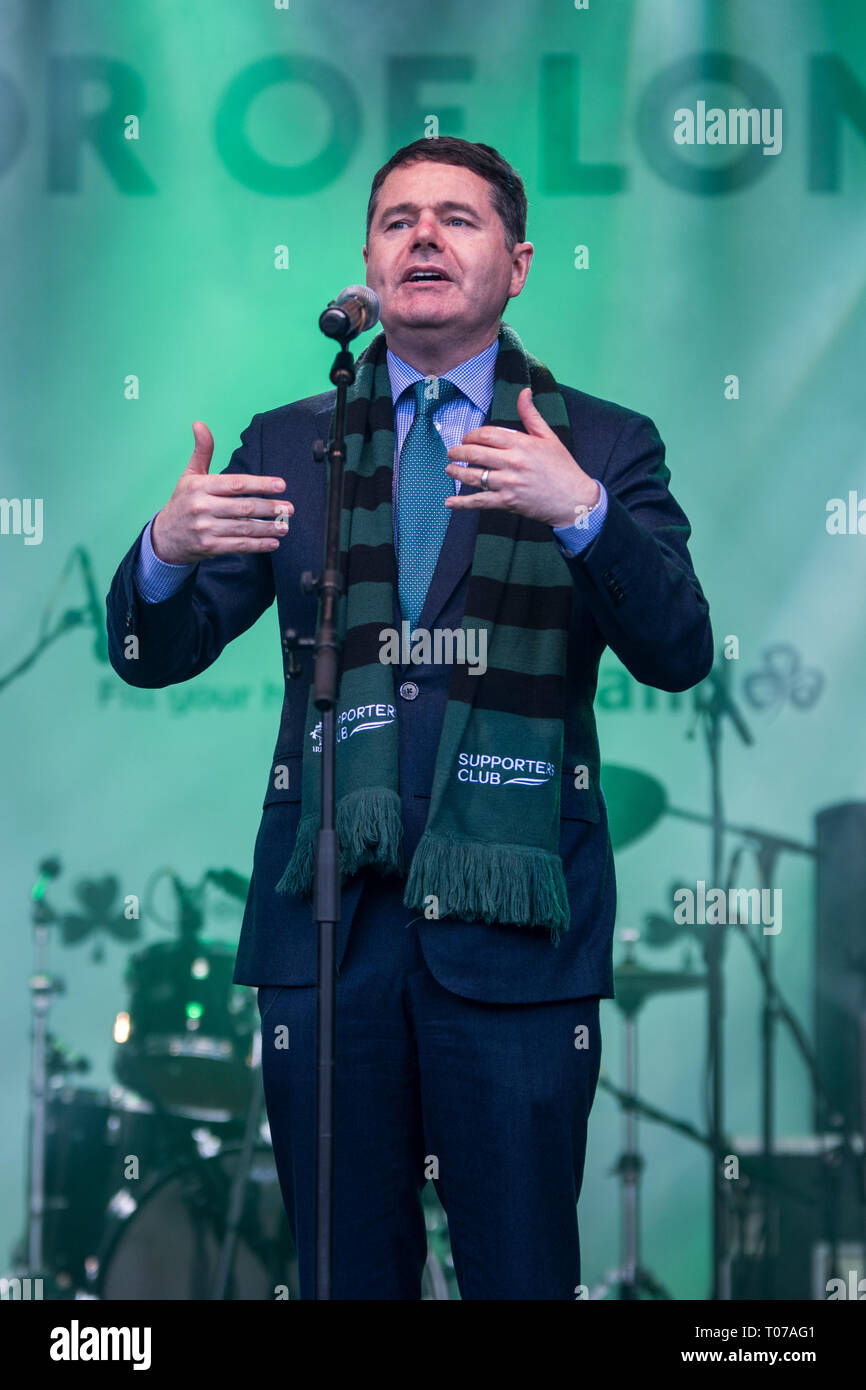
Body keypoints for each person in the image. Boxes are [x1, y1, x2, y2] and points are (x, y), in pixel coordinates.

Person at [106, 136, 713, 1300]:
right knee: (342, 1278)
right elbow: (154, 655)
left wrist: (582, 515)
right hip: (330, 945)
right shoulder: (291, 441)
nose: (422, 238)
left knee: (520, 1276)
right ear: (368, 265)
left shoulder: (599, 442)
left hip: (516, 945)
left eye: (456, 218)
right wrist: (163, 557)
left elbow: (678, 647)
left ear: (519, 260)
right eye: (396, 221)